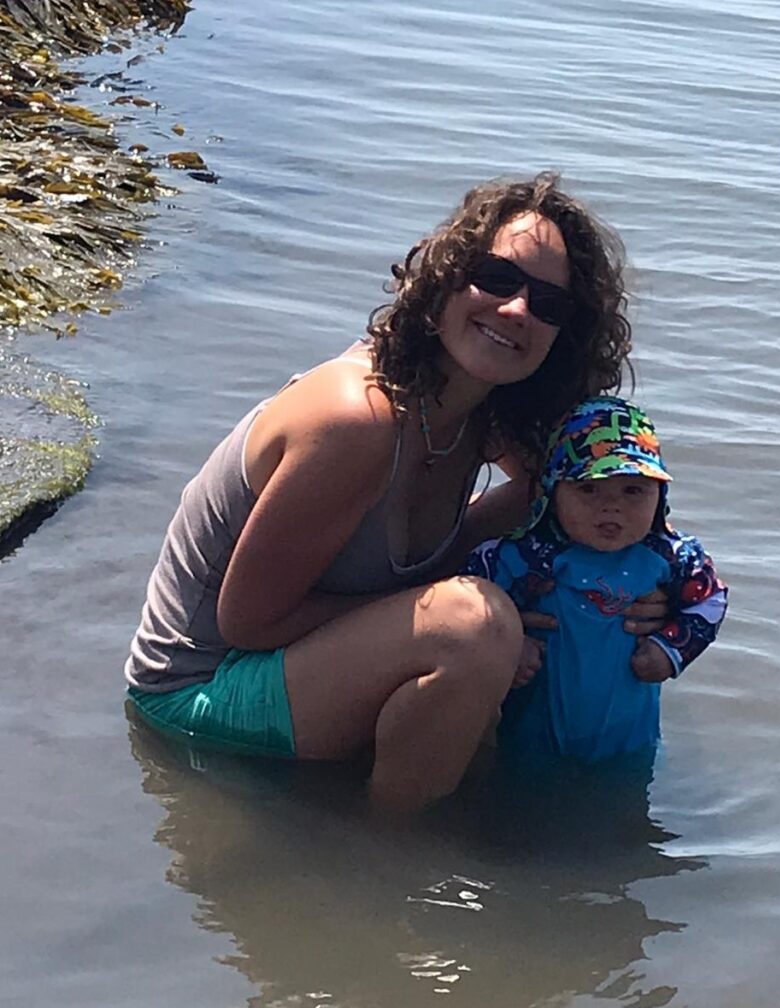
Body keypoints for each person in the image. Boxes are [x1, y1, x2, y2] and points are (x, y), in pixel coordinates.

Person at [124, 172, 666, 812]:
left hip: (302, 672)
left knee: (556, 512)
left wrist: (633, 593)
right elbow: (248, 621)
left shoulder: (480, 413)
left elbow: (572, 501)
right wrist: (454, 615)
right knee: (475, 625)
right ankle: (395, 866)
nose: (518, 310)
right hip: (198, 690)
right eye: (497, 279)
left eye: (550, 306)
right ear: (445, 277)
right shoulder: (358, 418)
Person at [463, 396, 727, 773]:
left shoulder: (670, 557)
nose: (611, 506)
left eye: (633, 490)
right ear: (554, 494)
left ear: (660, 496)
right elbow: (465, 596)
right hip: (531, 738)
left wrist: (671, 647)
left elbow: (711, 599)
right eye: (589, 489)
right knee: (522, 816)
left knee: (627, 821)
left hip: (631, 740)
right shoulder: (527, 554)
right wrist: (507, 644)